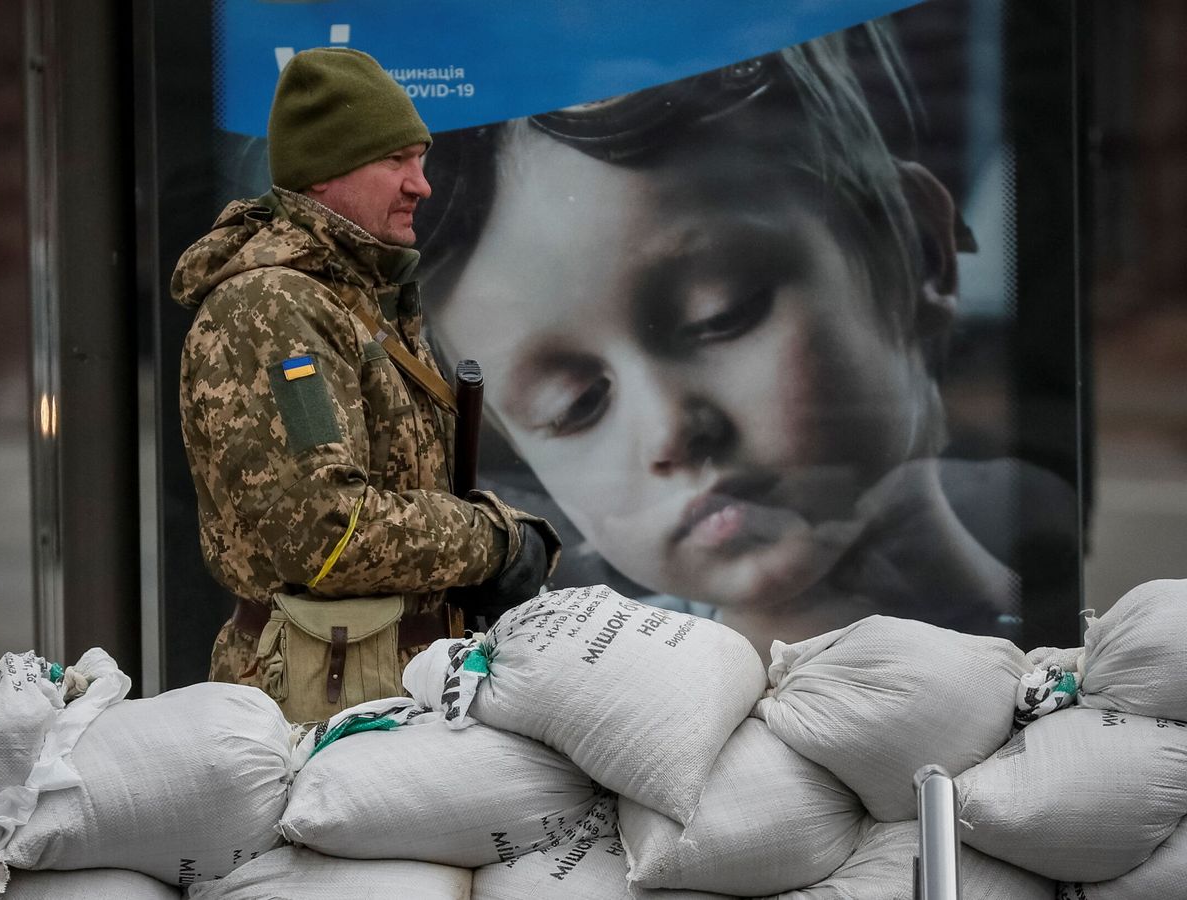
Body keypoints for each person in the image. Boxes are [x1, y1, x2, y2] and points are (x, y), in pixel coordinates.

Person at [413, 26, 1072, 659]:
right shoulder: (598, 690)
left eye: (722, 316)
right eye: (575, 406)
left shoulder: (1062, 661)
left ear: (922, 253)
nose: (671, 431)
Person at [171, 47, 559, 721]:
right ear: (325, 174)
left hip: (383, 681)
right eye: (395, 161)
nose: (421, 184)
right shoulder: (274, 309)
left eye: (422, 159)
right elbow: (327, 534)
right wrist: (494, 543)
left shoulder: (359, 300)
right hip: (317, 694)